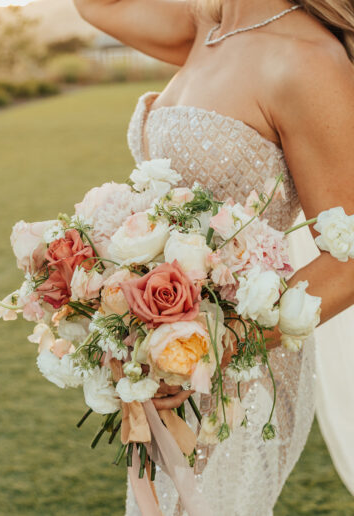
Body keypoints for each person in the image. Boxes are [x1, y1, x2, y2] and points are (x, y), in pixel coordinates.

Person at [73, 0, 354, 514]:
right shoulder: (205, 24)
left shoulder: (306, 60)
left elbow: (349, 258)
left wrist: (210, 347)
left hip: (240, 367)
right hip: (166, 352)